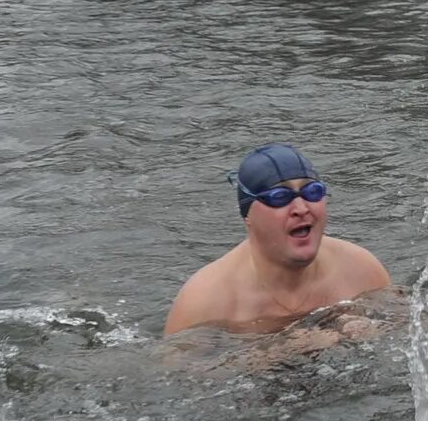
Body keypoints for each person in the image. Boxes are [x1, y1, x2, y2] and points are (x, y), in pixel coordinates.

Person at [166, 144, 392, 335]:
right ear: (248, 216)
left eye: (312, 192)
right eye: (280, 197)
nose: (301, 208)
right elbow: (177, 376)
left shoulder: (361, 270)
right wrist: (284, 349)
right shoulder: (204, 300)